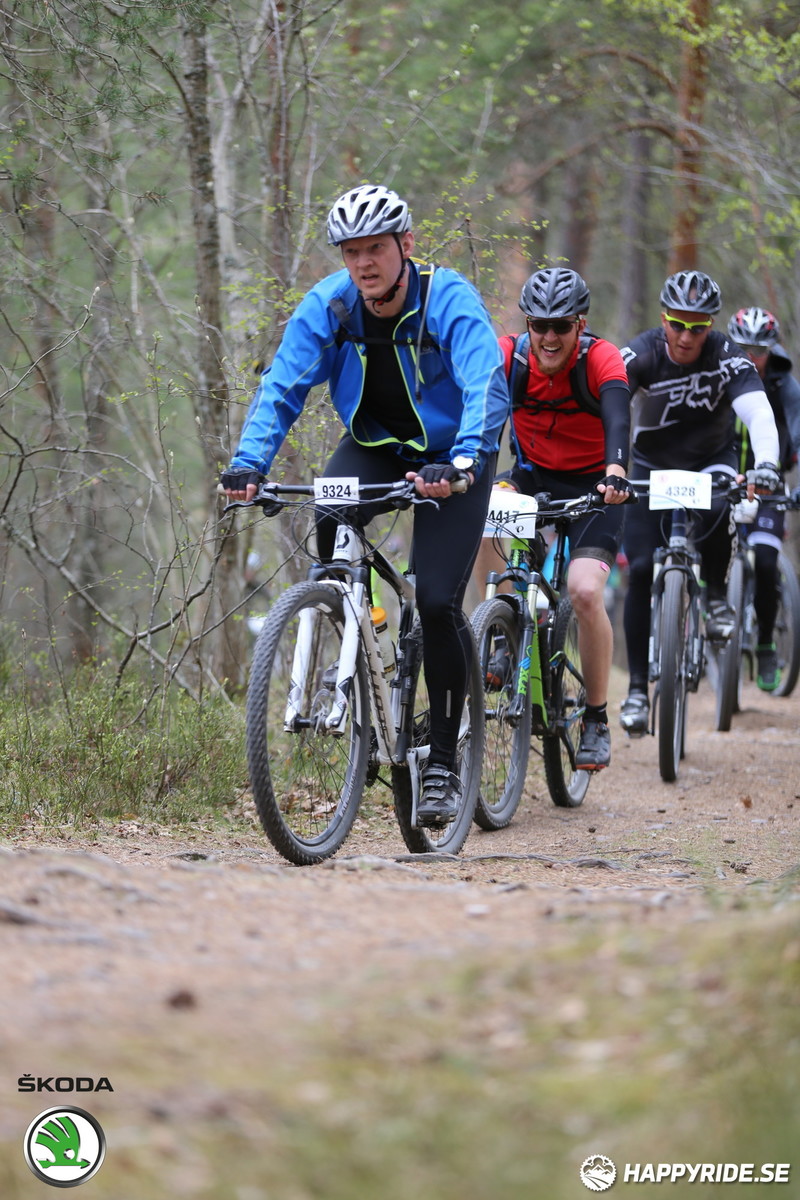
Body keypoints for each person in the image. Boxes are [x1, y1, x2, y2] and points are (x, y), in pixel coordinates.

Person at [221, 184, 510, 828]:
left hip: (454, 458)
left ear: (405, 245)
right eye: (351, 252)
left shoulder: (447, 298)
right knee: (329, 518)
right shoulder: (331, 305)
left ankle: (440, 759)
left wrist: (463, 461)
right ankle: (361, 632)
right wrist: (250, 463)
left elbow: (486, 381)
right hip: (377, 447)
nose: (363, 263)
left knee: (437, 600)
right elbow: (283, 386)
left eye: (375, 248)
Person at [472, 267, 633, 771]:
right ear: (526, 324)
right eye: (538, 325)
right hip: (532, 476)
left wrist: (616, 470)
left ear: (580, 325)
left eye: (560, 326)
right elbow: (482, 415)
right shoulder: (509, 355)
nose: (548, 337)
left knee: (583, 591)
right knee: (482, 516)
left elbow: (618, 415)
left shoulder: (600, 358)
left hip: (595, 488)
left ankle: (596, 717)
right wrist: (470, 469)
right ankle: (499, 632)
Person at [619, 271, 781, 736]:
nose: (687, 335)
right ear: (662, 320)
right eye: (677, 324)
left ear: (710, 326)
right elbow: (607, 403)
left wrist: (766, 463)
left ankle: (714, 595)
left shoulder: (728, 355)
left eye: (698, 326)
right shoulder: (642, 352)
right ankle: (634, 690)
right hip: (650, 465)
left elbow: (758, 411)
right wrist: (607, 463)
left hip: (711, 460)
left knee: (718, 506)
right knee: (642, 568)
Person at [727, 306, 800, 690]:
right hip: (724, 482)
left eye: (759, 350)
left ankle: (767, 645)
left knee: (768, 561)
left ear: (772, 350)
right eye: (743, 349)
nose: (751, 358)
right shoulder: (716, 375)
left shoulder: (784, 385)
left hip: (770, 486)